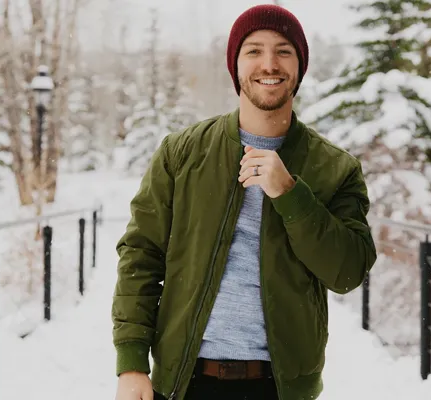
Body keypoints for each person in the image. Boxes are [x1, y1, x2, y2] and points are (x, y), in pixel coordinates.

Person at [112, 4, 377, 400]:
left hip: (280, 388)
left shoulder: (335, 169)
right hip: (183, 381)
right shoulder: (181, 153)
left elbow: (348, 272)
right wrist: (131, 363)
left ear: (300, 66)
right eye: (254, 50)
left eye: (283, 51)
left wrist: (291, 195)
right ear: (235, 65)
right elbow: (141, 255)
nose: (269, 64)